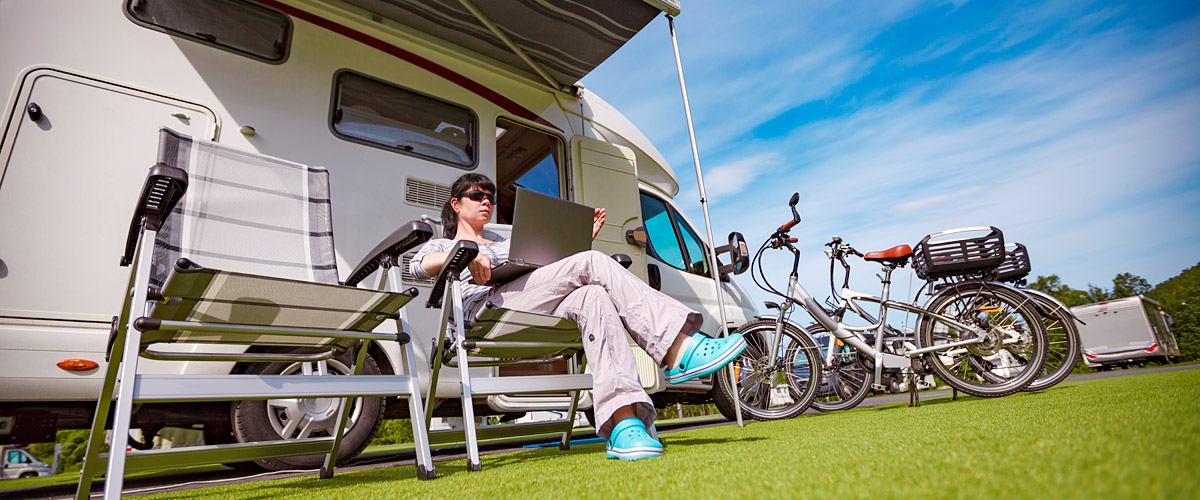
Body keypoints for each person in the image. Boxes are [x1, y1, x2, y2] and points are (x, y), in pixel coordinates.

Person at [410, 173, 747, 461]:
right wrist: (465, 254)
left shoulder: (507, 240)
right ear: (456, 204)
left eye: (491, 197)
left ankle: (624, 424)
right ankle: (678, 348)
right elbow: (416, 267)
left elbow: (548, 272)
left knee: (594, 296)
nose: (486, 201)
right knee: (593, 261)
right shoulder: (441, 244)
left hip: (531, 303)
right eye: (477, 195)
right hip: (485, 312)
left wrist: (578, 241)